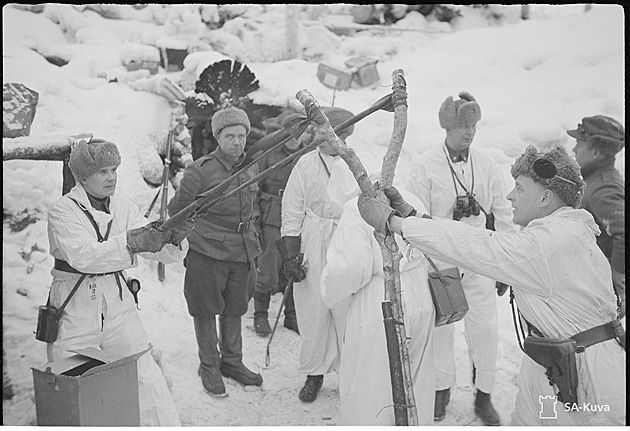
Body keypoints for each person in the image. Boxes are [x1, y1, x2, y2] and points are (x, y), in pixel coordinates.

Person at [358, 145, 626, 425]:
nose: (511, 196)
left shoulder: (551, 242)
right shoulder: (559, 232)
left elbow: (479, 247)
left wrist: (396, 223)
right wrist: (414, 216)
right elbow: (477, 240)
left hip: (587, 382)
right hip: (554, 367)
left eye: (520, 189)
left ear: (546, 197)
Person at [47, 138, 189, 426]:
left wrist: (172, 238)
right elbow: (85, 257)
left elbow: (152, 247)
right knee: (73, 381)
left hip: (117, 302)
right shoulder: (63, 211)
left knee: (144, 375)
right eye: (102, 172)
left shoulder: (124, 206)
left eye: (114, 169)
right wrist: (132, 240)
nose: (111, 177)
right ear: (83, 177)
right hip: (75, 307)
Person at [407, 91, 513, 425]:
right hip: (442, 264)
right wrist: (424, 264)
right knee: (441, 332)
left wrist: (505, 267)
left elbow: (505, 214)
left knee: (485, 331)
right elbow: (416, 219)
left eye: (473, 125)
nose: (469, 132)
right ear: (447, 127)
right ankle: (441, 391)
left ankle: (483, 395)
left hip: (480, 261)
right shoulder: (426, 166)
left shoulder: (488, 164)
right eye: (463, 125)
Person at [168, 106, 263, 397]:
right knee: (205, 309)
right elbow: (177, 210)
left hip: (242, 249)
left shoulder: (252, 166)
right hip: (208, 250)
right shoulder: (201, 170)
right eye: (230, 136)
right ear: (217, 137)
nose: (237, 142)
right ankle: (209, 365)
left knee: (235, 308)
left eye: (241, 135)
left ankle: (232, 363)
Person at [321, 188, 436, 425]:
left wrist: (329, 293)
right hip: (419, 295)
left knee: (372, 387)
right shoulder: (410, 199)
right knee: (417, 382)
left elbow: (348, 269)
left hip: (380, 297)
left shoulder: (359, 207)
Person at [280, 106, 355, 403]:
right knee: (312, 307)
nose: (320, 136)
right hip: (313, 237)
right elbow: (292, 209)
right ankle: (314, 373)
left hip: (347, 239)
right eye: (319, 130)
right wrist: (290, 254)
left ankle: (351, 371)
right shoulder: (305, 163)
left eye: (327, 131)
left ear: (344, 133)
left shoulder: (355, 162)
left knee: (347, 308)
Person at [568, 115, 625, 318]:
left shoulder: (603, 187)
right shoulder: (593, 180)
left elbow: (623, 232)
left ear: (595, 152)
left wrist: (617, 274)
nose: (574, 150)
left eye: (579, 144)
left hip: (600, 292)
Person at [252, 112, 303, 336]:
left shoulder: (308, 156)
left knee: (294, 268)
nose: (294, 137)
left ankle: (291, 315)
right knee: (267, 272)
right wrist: (256, 225)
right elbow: (254, 192)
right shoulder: (269, 156)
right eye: (290, 132)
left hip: (298, 222)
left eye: (300, 132)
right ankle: (260, 315)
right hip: (271, 221)